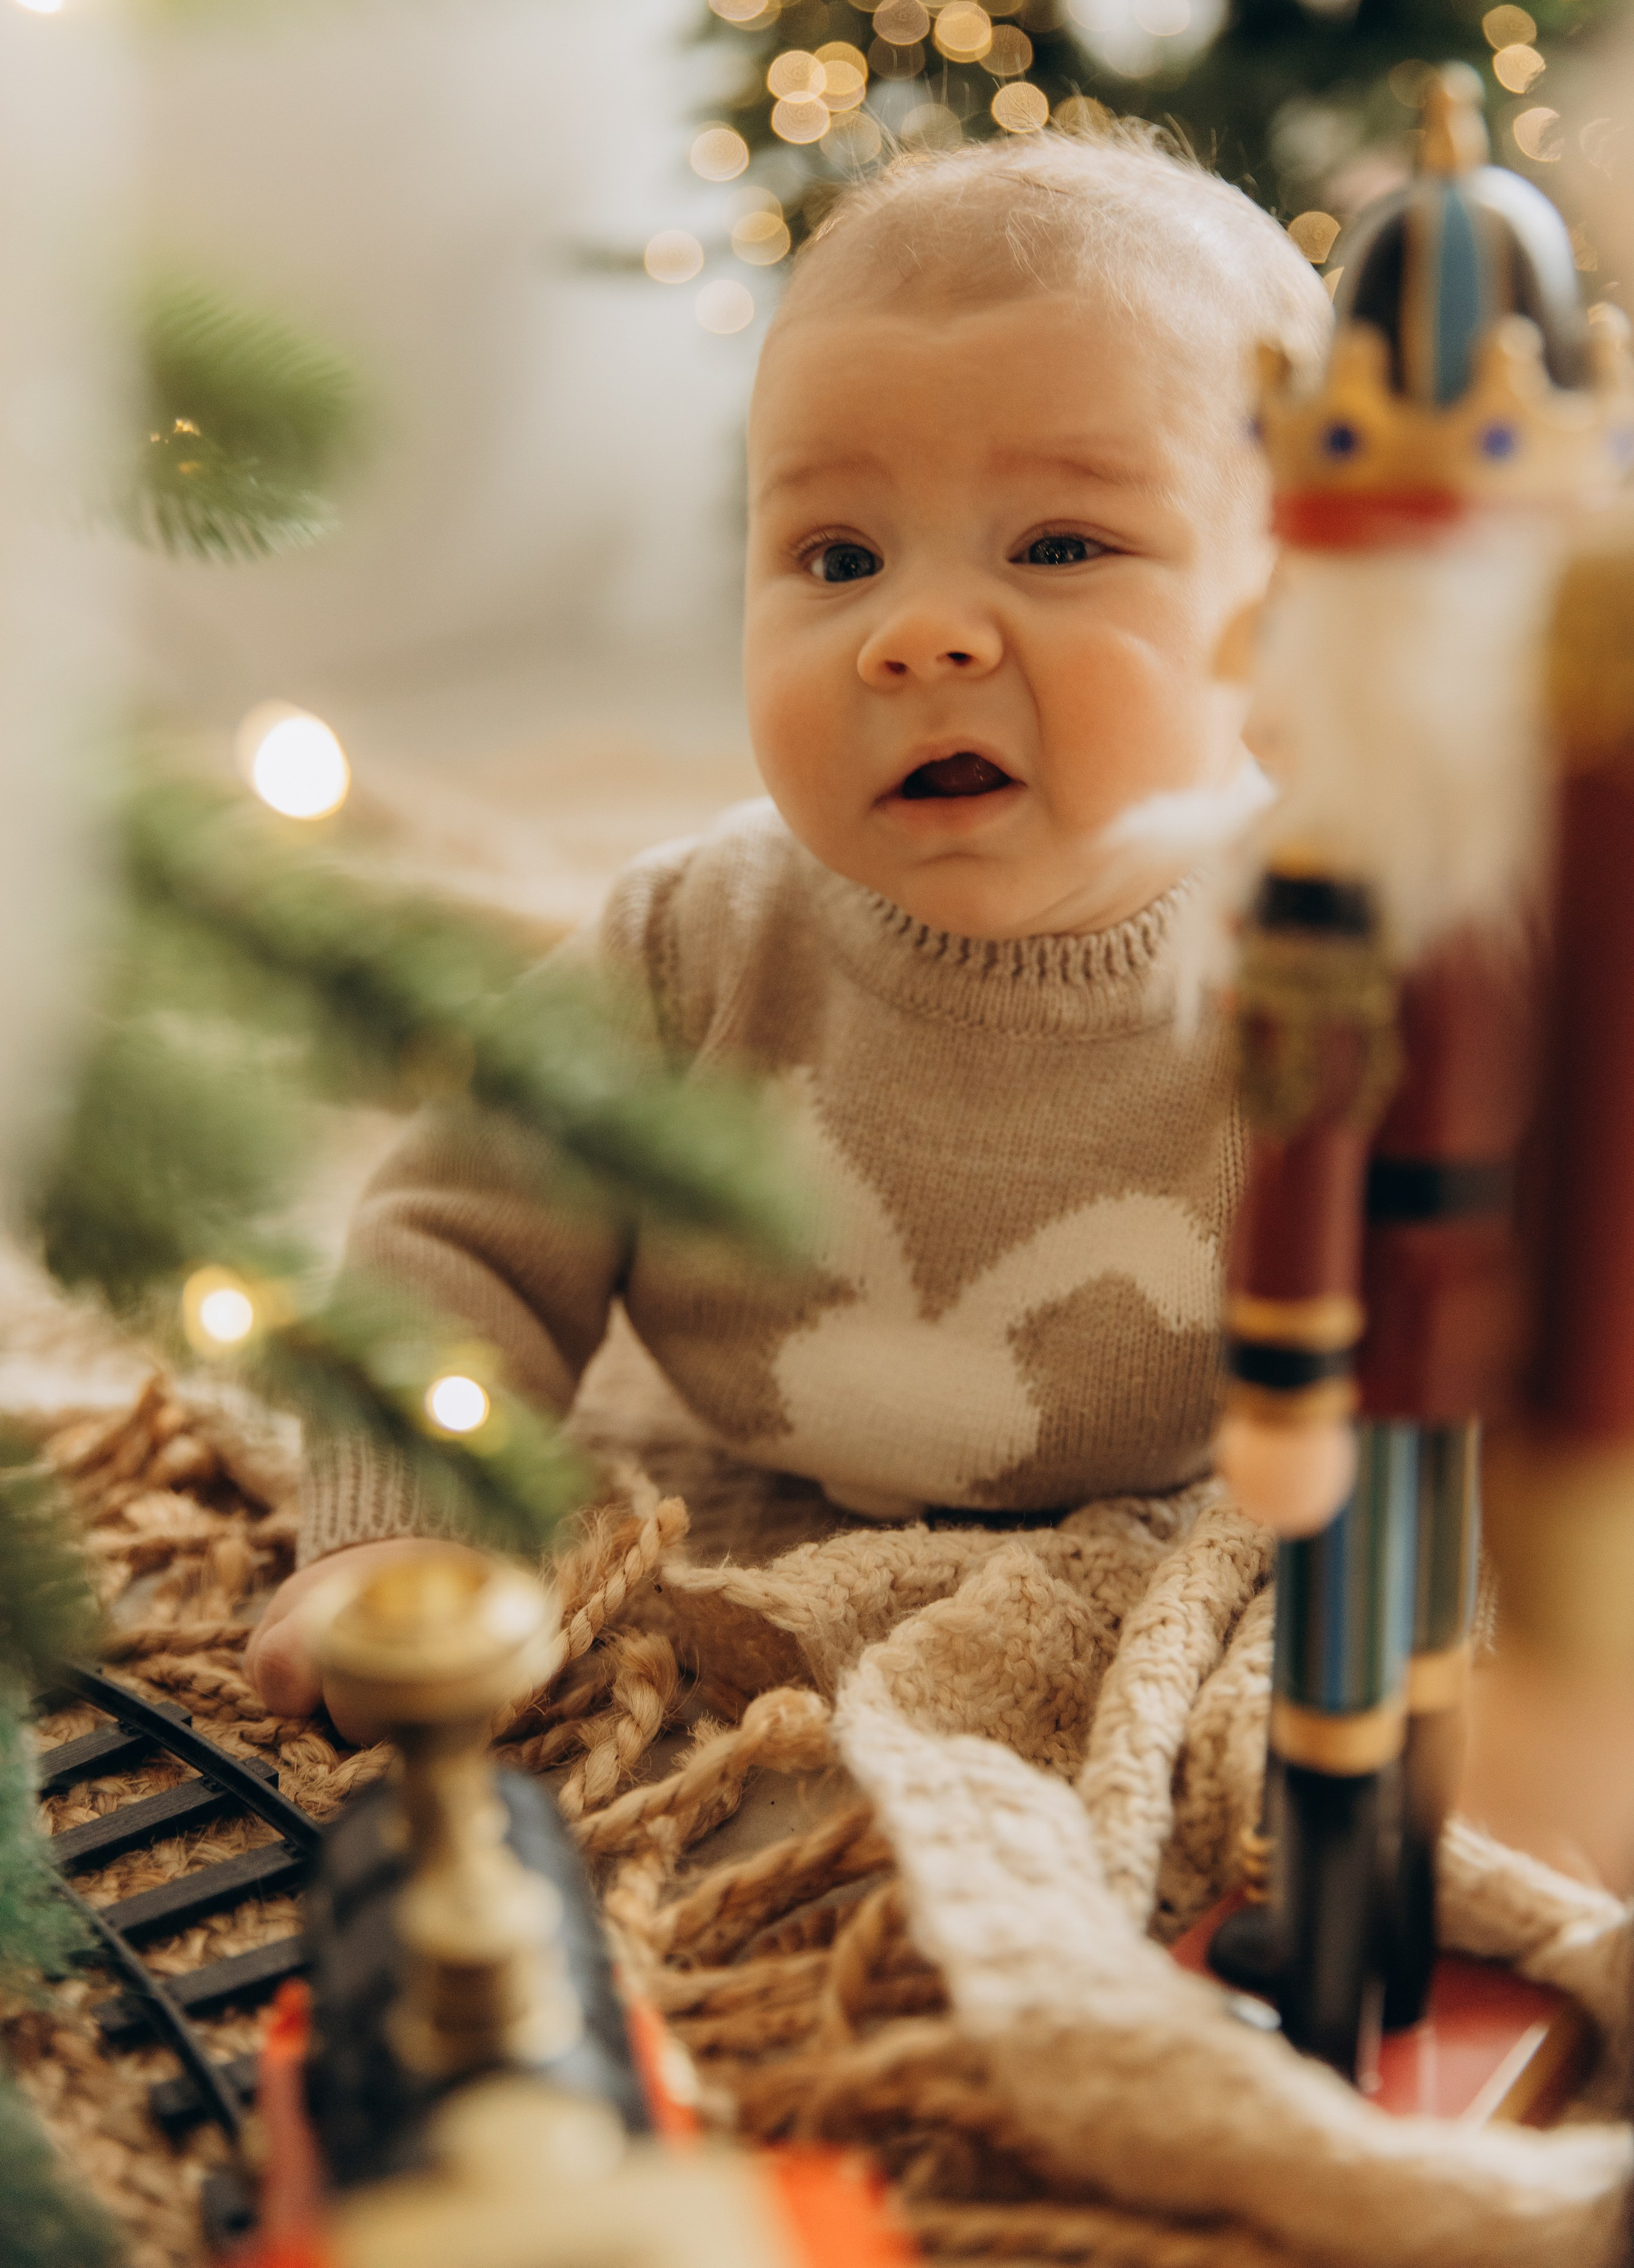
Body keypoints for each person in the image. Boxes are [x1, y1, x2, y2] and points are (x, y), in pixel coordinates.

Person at [247, 123, 1331, 1735]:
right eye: (835, 556)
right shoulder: (689, 942)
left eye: (1057, 546)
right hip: (740, 1459)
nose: (917, 633)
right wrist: (399, 1530)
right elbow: (451, 1243)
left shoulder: (1323, 963)